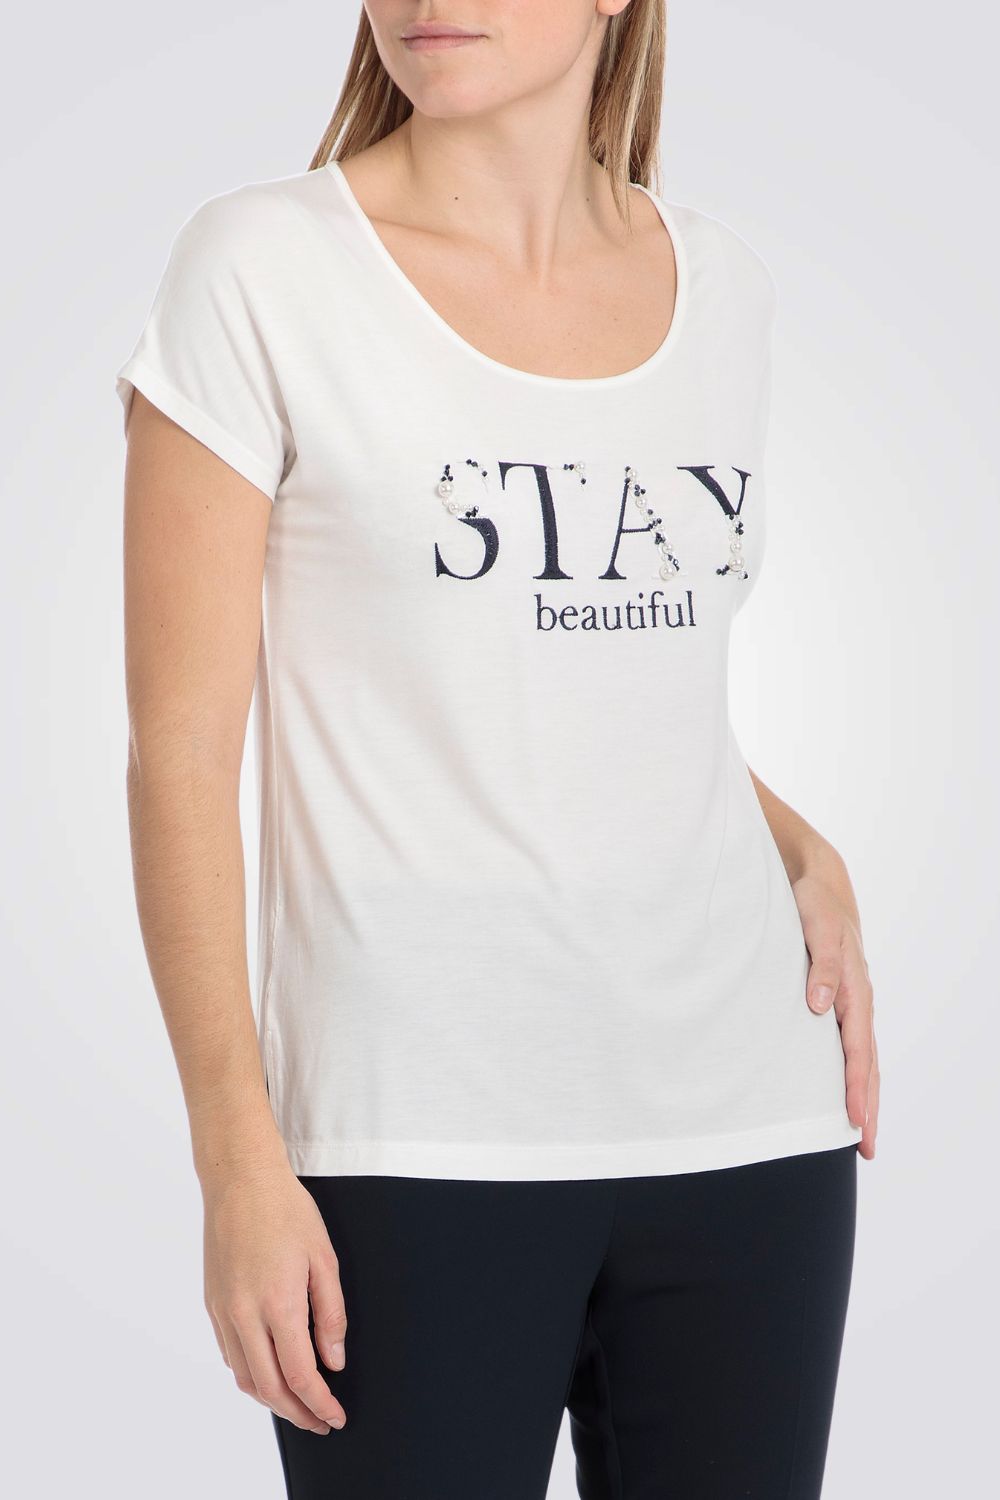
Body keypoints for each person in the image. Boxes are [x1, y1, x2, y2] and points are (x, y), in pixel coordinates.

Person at [116, 3, 880, 1496]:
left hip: (749, 1131)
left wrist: (799, 840)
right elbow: (181, 751)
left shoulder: (724, 285)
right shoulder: (261, 269)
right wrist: (236, 1160)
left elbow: (621, 686)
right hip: (412, 1147)